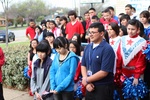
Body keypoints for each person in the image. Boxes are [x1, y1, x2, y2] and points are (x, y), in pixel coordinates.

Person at [81, 22, 115, 100]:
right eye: (89, 32)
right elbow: (83, 65)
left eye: (93, 32)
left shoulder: (107, 49)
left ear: (101, 33)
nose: (90, 35)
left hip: (102, 87)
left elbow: (104, 72)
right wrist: (86, 81)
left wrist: (86, 80)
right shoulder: (88, 46)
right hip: (89, 85)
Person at [116, 19, 147, 99]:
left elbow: (141, 61)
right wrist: (118, 72)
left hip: (135, 74)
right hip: (122, 73)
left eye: (133, 29)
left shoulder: (142, 42)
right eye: (128, 29)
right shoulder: (122, 39)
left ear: (138, 30)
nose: (130, 31)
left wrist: (136, 76)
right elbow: (119, 56)